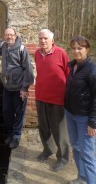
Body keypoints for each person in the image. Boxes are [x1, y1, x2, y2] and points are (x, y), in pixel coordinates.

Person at [0, 27, 34, 149]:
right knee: (6, 112)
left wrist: (25, 88)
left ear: (15, 36)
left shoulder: (21, 49)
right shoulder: (3, 46)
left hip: (19, 88)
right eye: (7, 35)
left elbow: (28, 70)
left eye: (11, 35)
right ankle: (10, 133)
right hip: (7, 87)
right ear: (4, 36)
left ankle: (16, 136)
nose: (9, 37)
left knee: (19, 113)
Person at [35, 29, 70, 172]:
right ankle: (47, 150)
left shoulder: (61, 53)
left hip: (57, 99)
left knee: (59, 131)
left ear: (52, 40)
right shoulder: (37, 53)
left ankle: (63, 158)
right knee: (43, 128)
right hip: (40, 96)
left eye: (45, 38)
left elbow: (68, 74)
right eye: (41, 38)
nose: (43, 41)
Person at [64, 36, 96, 184]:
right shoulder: (72, 66)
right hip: (70, 114)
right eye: (73, 48)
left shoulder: (91, 69)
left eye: (80, 48)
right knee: (76, 147)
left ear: (87, 49)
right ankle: (81, 178)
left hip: (84, 118)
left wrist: (93, 122)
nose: (76, 51)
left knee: (87, 154)